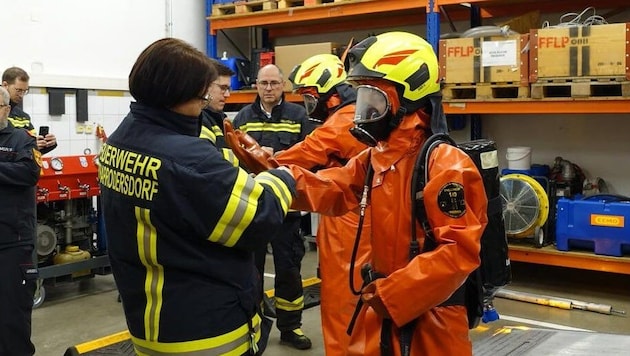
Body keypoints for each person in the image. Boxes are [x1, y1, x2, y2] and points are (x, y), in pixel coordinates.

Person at [275, 32, 488, 355]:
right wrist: (277, 182)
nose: (364, 110)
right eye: (362, 98)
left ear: (406, 98)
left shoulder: (444, 165)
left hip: (433, 319)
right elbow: (334, 188)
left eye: (374, 99)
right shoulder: (376, 158)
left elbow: (458, 252)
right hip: (386, 305)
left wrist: (394, 295)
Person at [97, 38, 296, 355]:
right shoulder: (188, 159)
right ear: (178, 97)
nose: (202, 106)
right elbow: (259, 218)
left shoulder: (122, 138)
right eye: (201, 98)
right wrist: (282, 177)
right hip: (205, 332)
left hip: (147, 321)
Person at [276, 53, 372, 356]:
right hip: (357, 212)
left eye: (309, 97)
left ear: (329, 95)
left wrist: (265, 164)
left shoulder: (343, 121)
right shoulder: (355, 114)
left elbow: (307, 151)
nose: (307, 106)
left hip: (347, 217)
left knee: (342, 297)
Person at [232, 64, 315, 350]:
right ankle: (253, 327)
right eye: (263, 83)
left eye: (274, 83)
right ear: (256, 85)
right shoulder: (243, 117)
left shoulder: (299, 116)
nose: (268, 88)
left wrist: (278, 156)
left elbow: (311, 156)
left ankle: (291, 327)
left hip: (287, 208)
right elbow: (236, 160)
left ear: (283, 86)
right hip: (252, 206)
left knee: (289, 268)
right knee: (250, 270)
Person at [0, 86, 42, 356]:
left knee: (11, 319)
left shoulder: (21, 139)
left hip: (11, 244)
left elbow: (29, 172)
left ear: (6, 109)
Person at [2, 67, 57, 154]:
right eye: (18, 90)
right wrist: (28, 148)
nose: (21, 95)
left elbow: (33, 151)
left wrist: (47, 144)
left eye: (25, 91)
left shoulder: (24, 116)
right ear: (5, 85)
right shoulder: (1, 116)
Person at [200, 61, 237, 165]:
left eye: (228, 89)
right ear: (205, 86)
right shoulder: (199, 120)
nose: (227, 94)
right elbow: (208, 160)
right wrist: (245, 158)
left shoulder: (219, 119)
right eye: (223, 88)